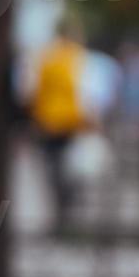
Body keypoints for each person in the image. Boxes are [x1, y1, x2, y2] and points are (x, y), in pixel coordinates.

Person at [26, 17, 93, 232]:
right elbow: (86, 91)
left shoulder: (46, 56)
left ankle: (59, 205)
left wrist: (34, 118)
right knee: (71, 167)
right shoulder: (78, 57)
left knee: (52, 167)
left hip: (47, 120)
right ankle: (66, 206)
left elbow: (35, 90)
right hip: (72, 121)